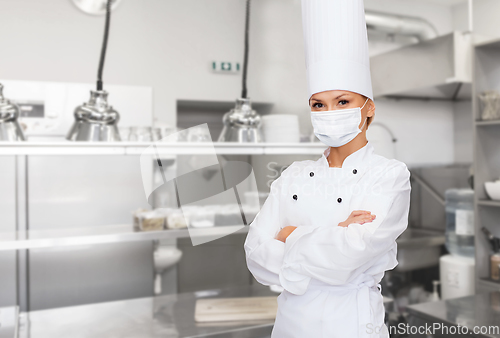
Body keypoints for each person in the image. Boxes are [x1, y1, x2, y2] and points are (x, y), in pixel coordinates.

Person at [244, 0, 411, 337]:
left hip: (350, 323)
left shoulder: (389, 175)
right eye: (319, 104)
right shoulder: (292, 175)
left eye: (342, 102)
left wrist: (290, 235)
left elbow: (354, 253)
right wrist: (335, 232)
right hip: (291, 325)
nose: (329, 112)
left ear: (369, 111)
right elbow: (256, 257)